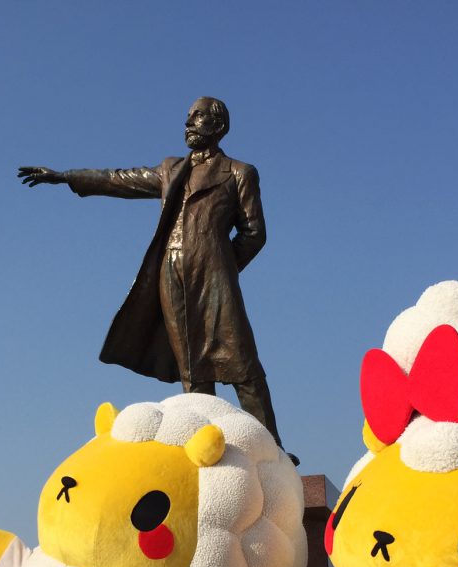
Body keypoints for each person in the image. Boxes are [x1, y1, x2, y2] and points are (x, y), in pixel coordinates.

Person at [19, 97, 292, 456]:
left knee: (242, 363)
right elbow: (120, 179)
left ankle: (271, 449)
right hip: (171, 275)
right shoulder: (171, 169)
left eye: (197, 117)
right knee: (192, 369)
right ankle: (207, 452)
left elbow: (254, 233)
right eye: (188, 117)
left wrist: (222, 266)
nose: (188, 123)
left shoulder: (240, 172)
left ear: (218, 126)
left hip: (215, 278)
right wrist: (66, 176)